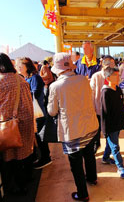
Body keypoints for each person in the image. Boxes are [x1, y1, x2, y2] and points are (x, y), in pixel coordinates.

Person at [48, 53, 99, 202]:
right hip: (90, 124)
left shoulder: (55, 86)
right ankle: (92, 179)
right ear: (71, 66)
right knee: (89, 154)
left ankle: (83, 194)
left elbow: (52, 111)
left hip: (72, 130)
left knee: (76, 163)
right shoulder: (83, 79)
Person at [0, 52, 34, 194]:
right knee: (25, 152)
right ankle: (28, 178)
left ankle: (19, 187)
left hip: (8, 126)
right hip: (26, 122)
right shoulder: (21, 80)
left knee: (11, 156)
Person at [16, 57, 52, 169]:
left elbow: (35, 94)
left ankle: (46, 158)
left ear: (27, 66)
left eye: (20, 66)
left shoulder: (35, 78)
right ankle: (43, 157)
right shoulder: (26, 78)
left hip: (38, 112)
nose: (18, 68)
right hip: (33, 112)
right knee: (37, 136)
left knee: (41, 137)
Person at [101, 67, 124, 179]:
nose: (118, 77)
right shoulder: (106, 92)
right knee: (115, 146)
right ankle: (120, 167)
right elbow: (104, 113)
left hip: (118, 123)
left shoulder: (117, 89)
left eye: (118, 75)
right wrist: (105, 130)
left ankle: (105, 158)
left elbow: (121, 106)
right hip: (111, 125)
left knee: (111, 143)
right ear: (108, 78)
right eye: (115, 76)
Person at [90, 56, 115, 153]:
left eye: (112, 63)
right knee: (97, 129)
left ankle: (108, 152)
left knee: (110, 131)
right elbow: (92, 92)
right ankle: (97, 144)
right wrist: (92, 107)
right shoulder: (96, 76)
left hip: (110, 109)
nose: (109, 65)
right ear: (102, 63)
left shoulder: (114, 75)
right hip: (98, 108)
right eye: (107, 62)